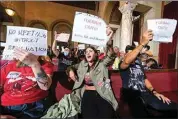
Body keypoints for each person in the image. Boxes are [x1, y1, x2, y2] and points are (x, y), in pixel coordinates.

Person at [119, 30, 177, 118]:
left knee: (172, 107)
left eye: (134, 53)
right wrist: (142, 43)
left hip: (146, 94)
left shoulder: (138, 63)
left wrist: (155, 92)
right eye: (130, 53)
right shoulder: (123, 64)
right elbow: (127, 60)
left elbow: (145, 79)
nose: (133, 55)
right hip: (133, 96)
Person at [67, 27, 119, 118]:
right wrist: (70, 71)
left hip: (103, 94)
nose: (87, 53)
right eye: (86, 51)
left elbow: (111, 55)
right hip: (87, 94)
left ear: (96, 54)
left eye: (90, 51)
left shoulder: (102, 64)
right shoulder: (82, 64)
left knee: (107, 115)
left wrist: (109, 40)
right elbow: (70, 67)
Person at [0, 48, 54, 119]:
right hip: (7, 107)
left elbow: (45, 86)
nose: (27, 53)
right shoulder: (9, 67)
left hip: (35, 108)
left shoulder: (45, 65)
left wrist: (34, 64)